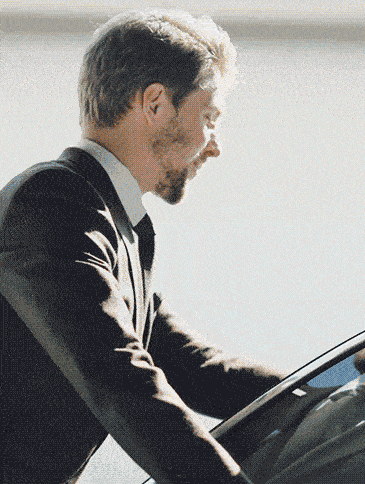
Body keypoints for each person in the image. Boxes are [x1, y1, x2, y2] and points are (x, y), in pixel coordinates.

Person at [0, 10, 285, 484]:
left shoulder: (113, 223)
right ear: (155, 103)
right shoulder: (53, 202)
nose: (214, 146)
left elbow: (196, 370)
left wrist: (347, 385)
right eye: (209, 117)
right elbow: (122, 380)